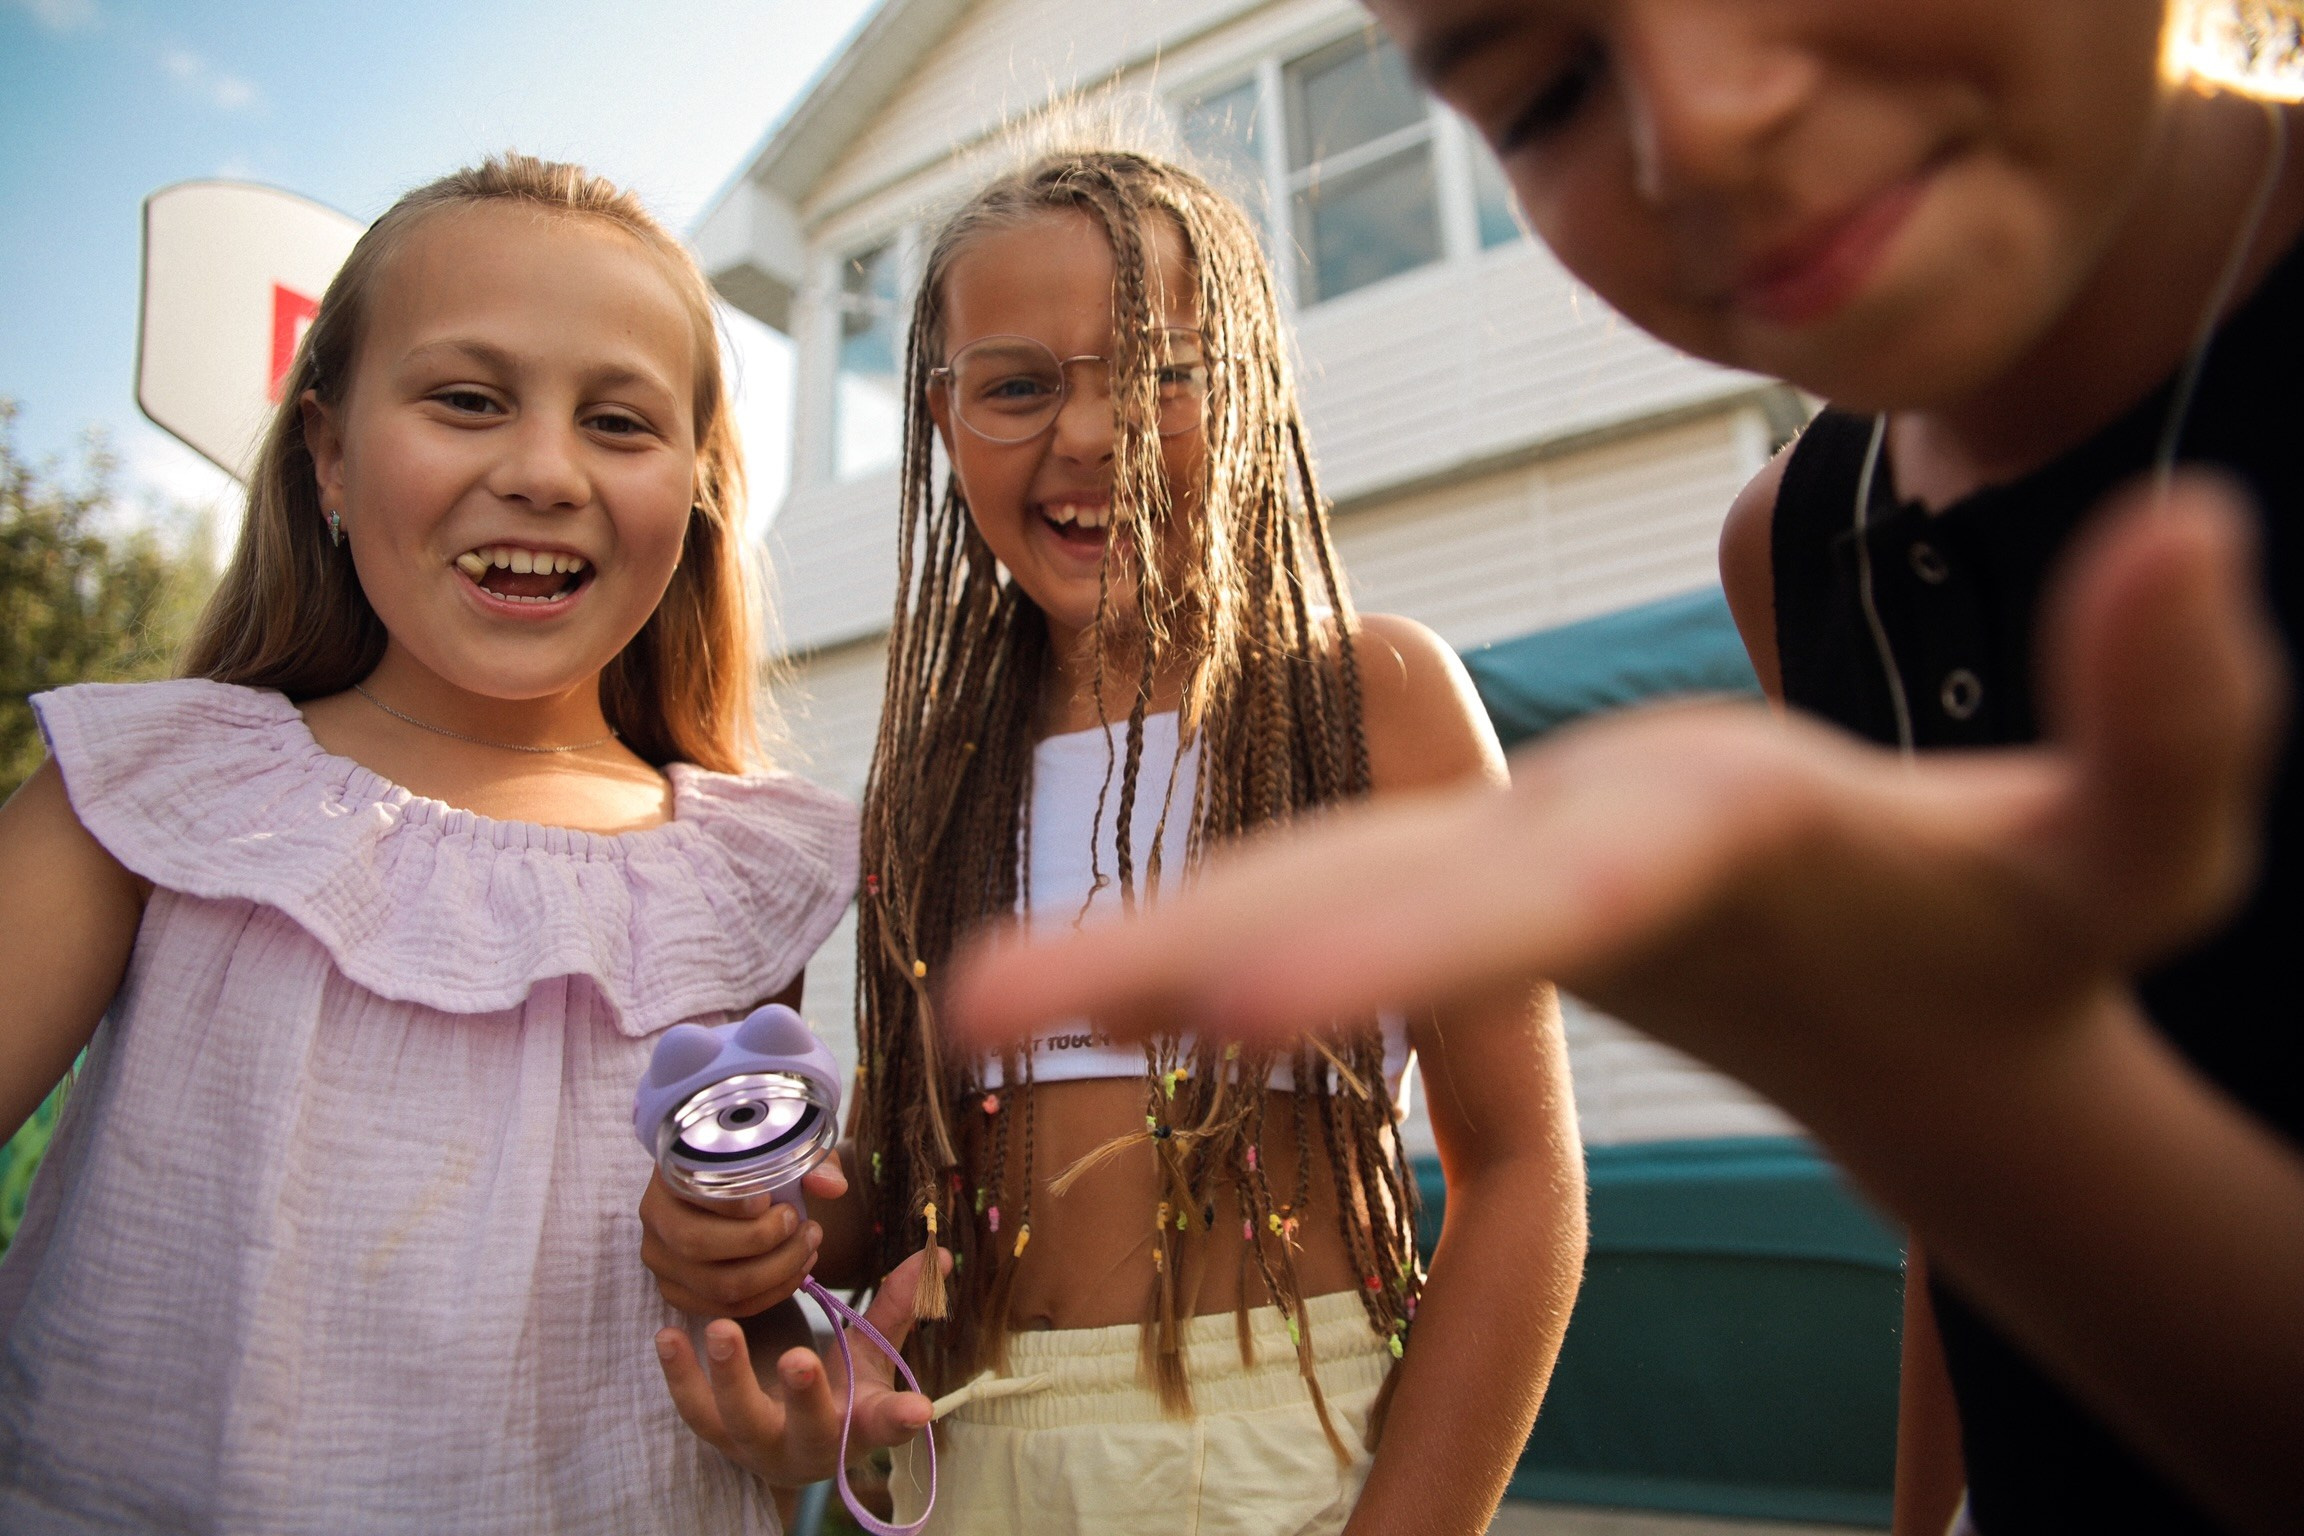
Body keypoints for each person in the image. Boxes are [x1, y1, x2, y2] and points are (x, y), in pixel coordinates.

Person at [943, 6, 2304, 1535]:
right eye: (1549, 91)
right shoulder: (1806, 539)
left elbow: (1526, 1170)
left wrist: (1984, 1087)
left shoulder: (1366, 694)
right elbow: (1989, 1261)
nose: (1706, 120)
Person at [640, 145, 1587, 1536]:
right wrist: (761, 1244)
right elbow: (917, 1193)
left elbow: (1521, 1175)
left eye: (1162, 368)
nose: (1092, 432)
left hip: (1286, 1460)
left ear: (1254, 388)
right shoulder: (933, 776)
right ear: (944, 419)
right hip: (968, 1458)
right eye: (1020, 385)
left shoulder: (1372, 703)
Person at [0, 154, 882, 1534]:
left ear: (697, 495)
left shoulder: (748, 878)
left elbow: (758, 1301)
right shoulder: (152, 792)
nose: (542, 470)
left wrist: (781, 1393)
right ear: (330, 454)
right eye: (467, 400)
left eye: (617, 422)